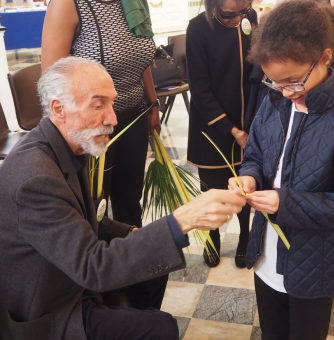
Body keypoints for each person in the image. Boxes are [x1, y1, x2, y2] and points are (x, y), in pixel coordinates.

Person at [0, 56, 245, 340]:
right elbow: (93, 268)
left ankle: (127, 318)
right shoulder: (35, 177)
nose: (113, 118)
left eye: (112, 103)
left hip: (67, 277)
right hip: (46, 309)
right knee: (161, 327)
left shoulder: (64, 146)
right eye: (98, 104)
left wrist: (135, 233)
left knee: (153, 268)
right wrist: (182, 220)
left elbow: (79, 222)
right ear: (59, 109)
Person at [229, 1, 334, 339]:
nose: (286, 92)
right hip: (265, 256)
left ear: (324, 57)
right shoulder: (275, 100)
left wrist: (283, 203)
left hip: (315, 263)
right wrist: (248, 176)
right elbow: (257, 156)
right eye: (274, 82)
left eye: (293, 81)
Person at [41, 0, 160, 228]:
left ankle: (132, 256)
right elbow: (51, 81)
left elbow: (139, 57)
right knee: (94, 204)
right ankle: (97, 259)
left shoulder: (133, 2)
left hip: (133, 116)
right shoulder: (68, 5)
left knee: (130, 197)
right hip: (90, 125)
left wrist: (152, 103)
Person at [186, 0, 257, 268]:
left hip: (247, 118)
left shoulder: (248, 18)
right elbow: (200, 89)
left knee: (245, 184)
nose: (237, 18)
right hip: (212, 123)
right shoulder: (198, 28)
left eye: (243, 10)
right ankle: (212, 238)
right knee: (213, 187)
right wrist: (231, 129)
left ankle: (246, 238)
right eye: (229, 14)